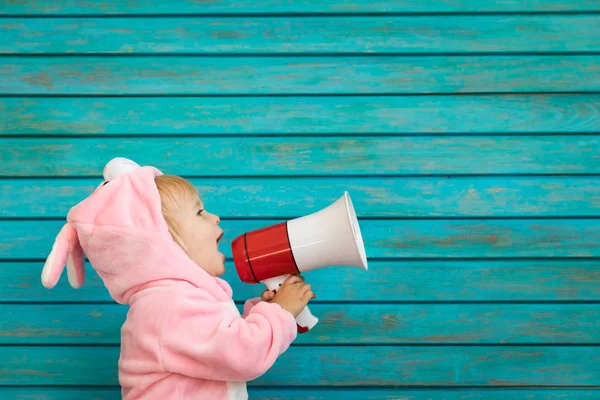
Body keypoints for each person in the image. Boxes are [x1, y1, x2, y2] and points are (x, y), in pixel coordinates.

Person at [40, 157, 315, 399]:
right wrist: (278, 312)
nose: (215, 217)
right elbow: (242, 355)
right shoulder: (169, 304)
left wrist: (267, 312)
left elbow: (221, 345)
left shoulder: (173, 301)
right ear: (162, 242)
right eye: (199, 212)